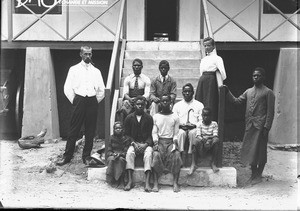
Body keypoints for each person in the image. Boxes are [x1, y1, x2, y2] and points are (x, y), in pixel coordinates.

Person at [224, 67, 275, 185]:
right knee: (250, 150)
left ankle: (259, 175)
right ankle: (253, 174)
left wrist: (267, 127)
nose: (256, 77)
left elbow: (270, 112)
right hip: (250, 126)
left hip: (261, 127)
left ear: (263, 77)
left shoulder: (268, 92)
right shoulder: (248, 91)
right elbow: (236, 101)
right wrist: (227, 92)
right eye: (254, 76)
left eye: (258, 76)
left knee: (260, 151)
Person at [56, 46, 105, 166]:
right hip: (79, 100)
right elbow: (67, 88)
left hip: (92, 101)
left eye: (90, 54)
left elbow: (101, 90)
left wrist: (94, 101)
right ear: (81, 54)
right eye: (85, 54)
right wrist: (76, 100)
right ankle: (67, 156)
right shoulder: (74, 69)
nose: (88, 56)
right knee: (74, 129)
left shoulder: (96, 71)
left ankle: (86, 156)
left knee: (90, 130)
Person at [152, 94, 182, 192]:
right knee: (156, 154)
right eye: (163, 101)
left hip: (170, 141)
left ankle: (175, 183)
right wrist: (156, 142)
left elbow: (176, 133)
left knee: (176, 155)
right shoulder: (156, 116)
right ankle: (156, 183)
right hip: (160, 141)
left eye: (167, 101)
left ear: (171, 102)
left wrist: (175, 142)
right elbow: (154, 132)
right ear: (160, 102)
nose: (165, 103)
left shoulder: (175, 117)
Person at [123, 95, 154, 192]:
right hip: (134, 143)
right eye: (137, 104)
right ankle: (130, 181)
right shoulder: (129, 118)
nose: (140, 106)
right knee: (129, 154)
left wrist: (146, 144)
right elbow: (126, 135)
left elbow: (151, 134)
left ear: (145, 105)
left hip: (145, 143)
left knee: (148, 154)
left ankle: (147, 182)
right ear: (134, 105)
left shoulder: (149, 118)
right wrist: (133, 143)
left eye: (142, 104)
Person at [195, 37, 227, 121]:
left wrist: (217, 83)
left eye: (208, 45)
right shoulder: (204, 59)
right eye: (205, 46)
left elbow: (223, 74)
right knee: (200, 101)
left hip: (211, 81)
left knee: (210, 102)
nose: (206, 48)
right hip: (202, 80)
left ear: (213, 46)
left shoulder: (217, 58)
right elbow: (201, 72)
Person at [172, 83, 204, 166]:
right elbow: (174, 119)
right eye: (185, 91)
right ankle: (180, 155)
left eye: (189, 91)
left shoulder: (199, 105)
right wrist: (180, 125)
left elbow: (201, 120)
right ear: (182, 93)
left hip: (193, 127)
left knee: (193, 133)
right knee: (180, 133)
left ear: (193, 93)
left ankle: (191, 156)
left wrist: (194, 125)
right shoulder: (177, 105)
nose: (187, 93)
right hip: (181, 127)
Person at [117, 58, 151, 123]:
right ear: (132, 67)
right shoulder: (128, 78)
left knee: (144, 111)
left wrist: (138, 99)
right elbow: (125, 94)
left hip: (142, 100)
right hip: (131, 101)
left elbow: (147, 94)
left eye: (138, 65)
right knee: (123, 110)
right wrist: (130, 99)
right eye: (135, 65)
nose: (136, 67)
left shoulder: (146, 79)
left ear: (142, 67)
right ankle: (123, 129)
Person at [189, 107, 219, 175]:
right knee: (195, 141)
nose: (206, 117)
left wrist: (208, 139)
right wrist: (204, 140)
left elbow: (215, 135)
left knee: (216, 140)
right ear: (202, 116)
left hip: (211, 141)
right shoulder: (199, 124)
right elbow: (198, 135)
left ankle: (213, 163)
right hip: (202, 141)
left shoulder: (214, 124)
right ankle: (193, 164)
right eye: (204, 115)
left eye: (208, 115)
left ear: (211, 116)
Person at [106, 121, 131, 188]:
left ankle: (121, 180)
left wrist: (120, 154)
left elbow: (126, 151)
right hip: (113, 155)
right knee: (112, 159)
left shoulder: (126, 139)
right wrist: (113, 154)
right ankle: (114, 180)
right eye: (116, 128)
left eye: (119, 128)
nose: (118, 129)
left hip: (122, 156)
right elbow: (108, 151)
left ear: (122, 129)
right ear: (114, 129)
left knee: (120, 160)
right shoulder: (111, 138)